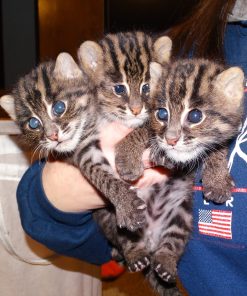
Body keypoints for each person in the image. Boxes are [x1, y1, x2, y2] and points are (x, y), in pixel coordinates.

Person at [16, 0, 247, 295]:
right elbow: (47, 210)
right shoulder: (179, 48)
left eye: (146, 90)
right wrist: (62, 186)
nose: (138, 108)